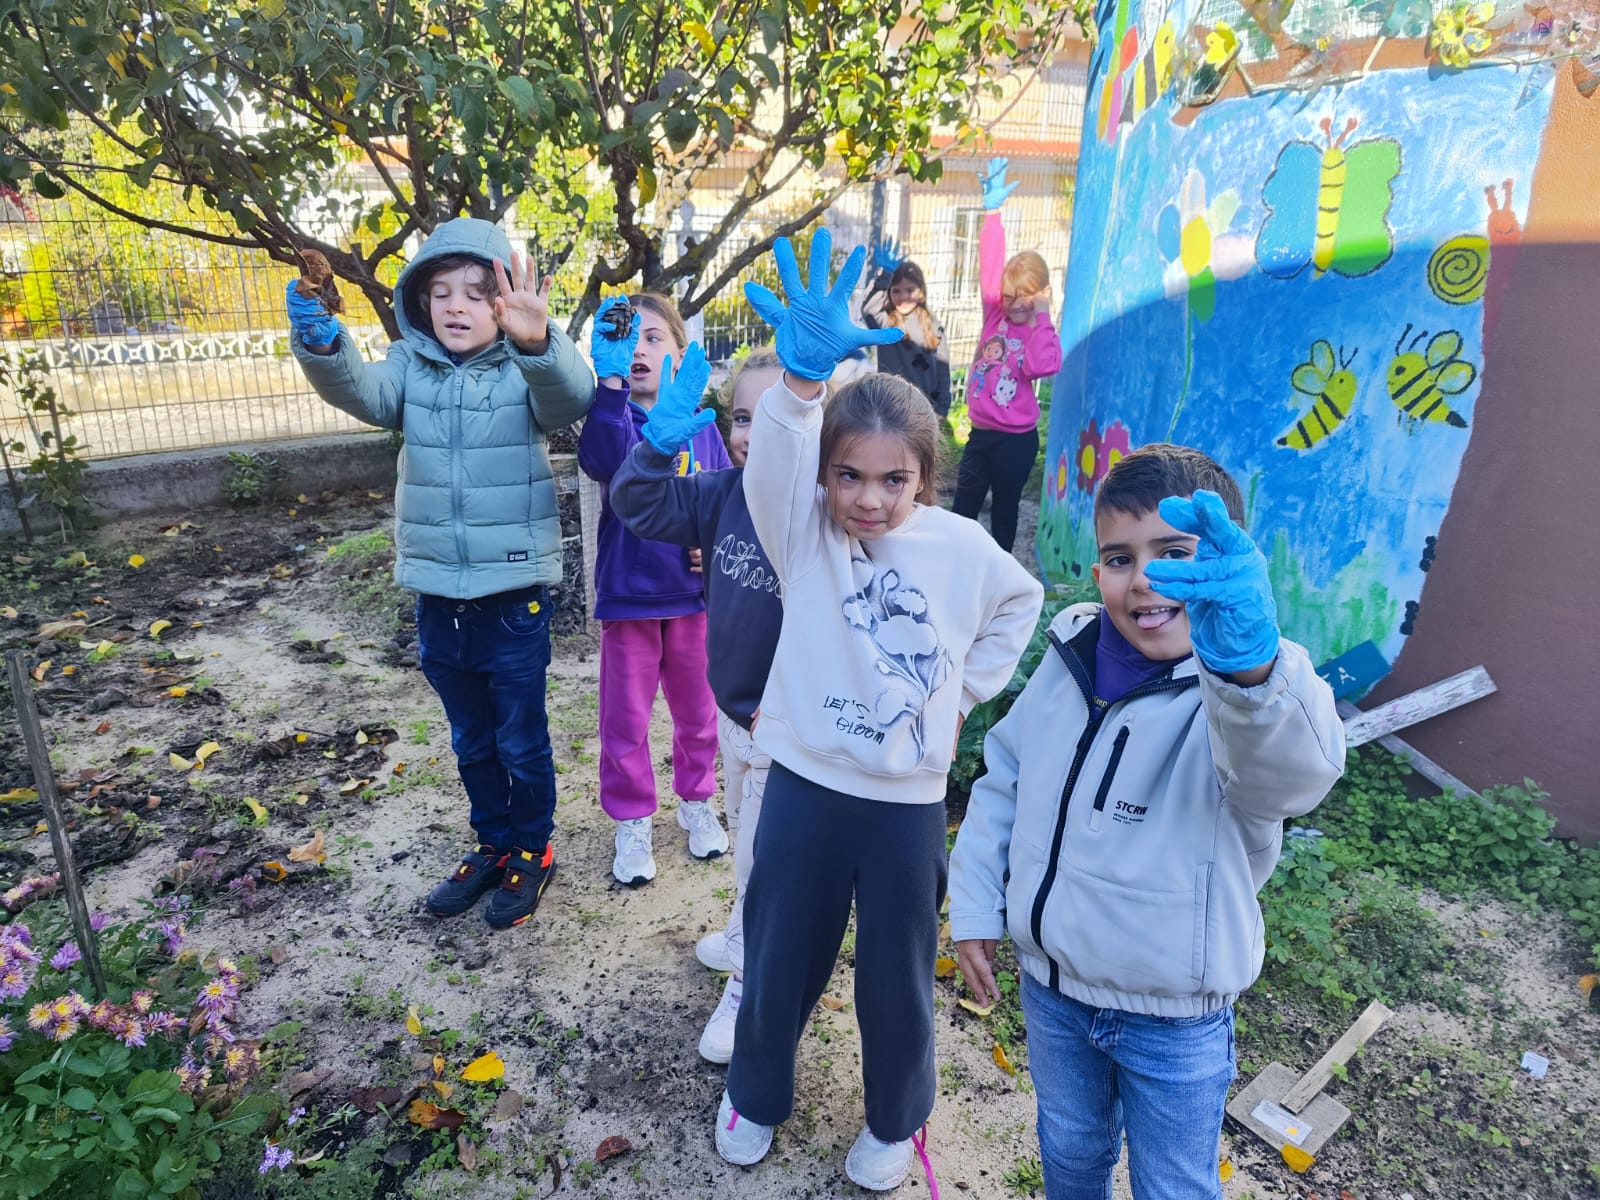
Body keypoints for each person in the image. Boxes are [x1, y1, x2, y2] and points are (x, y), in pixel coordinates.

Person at [713, 231, 1045, 1193]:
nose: (868, 498)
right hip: (805, 784)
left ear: (924, 479)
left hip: (905, 805)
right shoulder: (801, 531)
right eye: (849, 476)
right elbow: (773, 466)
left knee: (895, 981)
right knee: (780, 957)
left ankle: (896, 1121)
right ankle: (754, 1095)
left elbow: (1020, 603)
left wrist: (963, 691)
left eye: (893, 480)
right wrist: (797, 389)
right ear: (825, 477)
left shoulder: (959, 549)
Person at [948, 444, 1347, 1199]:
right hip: (1054, 991)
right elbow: (1004, 782)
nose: (1144, 579)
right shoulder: (1069, 658)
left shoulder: (1244, 695)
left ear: (1225, 564)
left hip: (1174, 1020)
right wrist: (974, 904)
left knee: (1173, 1186)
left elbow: (1292, 780)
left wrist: (1251, 671)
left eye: (1174, 554)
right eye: (1119, 558)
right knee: (1069, 1152)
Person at [285, 218, 593, 929]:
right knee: (472, 742)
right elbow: (362, 392)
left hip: (512, 598)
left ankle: (532, 851)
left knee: (521, 742)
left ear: (503, 301)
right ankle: (492, 844)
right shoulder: (408, 367)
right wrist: (322, 340)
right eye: (442, 292)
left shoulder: (524, 368)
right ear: (420, 301)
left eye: (477, 294)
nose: (457, 307)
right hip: (437, 600)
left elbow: (571, 398)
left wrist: (538, 343)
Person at [607, 346, 785, 1066]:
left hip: (788, 730)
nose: (753, 433)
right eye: (742, 417)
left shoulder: (821, 509)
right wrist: (656, 445)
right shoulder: (720, 493)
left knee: (766, 863)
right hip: (736, 717)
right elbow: (635, 503)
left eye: (777, 416)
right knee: (743, 843)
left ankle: (752, 984)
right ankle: (742, 933)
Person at [578, 292, 731, 887]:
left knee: (699, 714)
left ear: (681, 354)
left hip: (693, 601)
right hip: (629, 598)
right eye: (628, 339)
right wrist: (610, 385)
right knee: (625, 720)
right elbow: (601, 460)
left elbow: (721, 499)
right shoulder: (616, 419)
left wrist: (710, 544)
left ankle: (696, 799)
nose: (639, 349)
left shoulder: (701, 426)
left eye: (652, 338)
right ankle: (633, 817)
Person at [951, 157, 1065, 553]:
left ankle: (998, 570)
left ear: (1041, 294)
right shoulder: (994, 315)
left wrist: (1043, 316)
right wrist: (992, 215)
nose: (1015, 303)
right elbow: (990, 268)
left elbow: (1041, 366)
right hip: (981, 435)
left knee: (1004, 510)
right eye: (1010, 295)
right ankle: (953, 563)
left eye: (1025, 296)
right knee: (963, 508)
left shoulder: (1039, 332)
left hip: (1016, 442)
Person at [860, 240, 952, 418]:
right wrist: (885, 276)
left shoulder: (933, 325)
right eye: (896, 291)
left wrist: (942, 408)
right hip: (891, 406)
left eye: (910, 290)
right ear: (889, 292)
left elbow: (943, 369)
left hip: (926, 409)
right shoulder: (886, 322)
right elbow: (869, 309)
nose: (903, 297)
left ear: (921, 292)